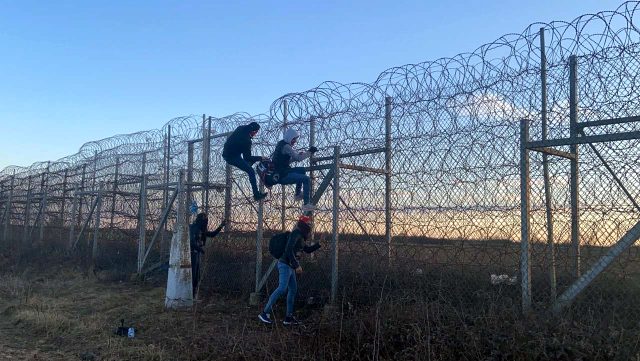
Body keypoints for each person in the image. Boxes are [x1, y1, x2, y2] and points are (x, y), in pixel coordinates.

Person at [258, 215, 320, 325]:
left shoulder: (300, 236)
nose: (311, 226)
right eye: (309, 224)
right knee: (282, 288)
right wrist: (297, 265)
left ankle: (288, 318)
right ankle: (264, 313)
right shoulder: (296, 233)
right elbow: (288, 250)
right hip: (285, 265)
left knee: (292, 290)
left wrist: (319, 244)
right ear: (305, 225)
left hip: (290, 266)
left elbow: (307, 250)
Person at [272, 128, 318, 212]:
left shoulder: (281, 144)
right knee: (306, 179)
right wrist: (310, 152)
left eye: (295, 139)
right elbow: (299, 158)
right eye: (294, 139)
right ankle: (306, 204)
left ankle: (297, 194)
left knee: (302, 170)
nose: (295, 141)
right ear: (290, 137)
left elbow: (284, 161)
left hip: (281, 171)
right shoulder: (286, 146)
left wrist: (295, 157)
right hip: (282, 175)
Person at [223, 122, 268, 201]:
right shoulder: (247, 140)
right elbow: (247, 157)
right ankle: (256, 194)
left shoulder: (240, 128)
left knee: (248, 164)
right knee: (251, 171)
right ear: (254, 131)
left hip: (227, 152)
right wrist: (261, 158)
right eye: (256, 132)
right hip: (233, 157)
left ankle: (249, 165)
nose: (255, 134)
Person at [189, 213, 226, 297]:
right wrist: (200, 249)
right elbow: (191, 241)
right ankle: (190, 294)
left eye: (206, 219)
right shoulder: (194, 228)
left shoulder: (202, 229)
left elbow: (212, 234)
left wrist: (221, 226)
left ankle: (193, 294)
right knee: (193, 274)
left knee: (196, 275)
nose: (206, 221)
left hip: (196, 253)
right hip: (191, 253)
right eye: (204, 219)